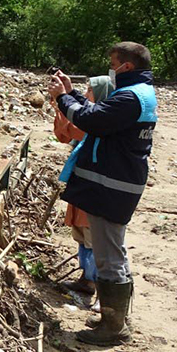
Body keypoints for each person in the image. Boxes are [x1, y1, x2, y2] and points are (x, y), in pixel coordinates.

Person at [48, 42, 156, 346]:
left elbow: (91, 121)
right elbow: (98, 112)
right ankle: (116, 317)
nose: (111, 69)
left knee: (109, 256)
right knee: (112, 252)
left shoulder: (130, 97)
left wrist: (62, 98)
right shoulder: (136, 94)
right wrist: (71, 93)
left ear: (127, 66)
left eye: (113, 63)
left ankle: (113, 327)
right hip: (117, 184)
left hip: (113, 186)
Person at [52, 75, 113, 298]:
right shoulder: (91, 117)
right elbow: (64, 134)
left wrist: (62, 100)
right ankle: (87, 279)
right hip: (83, 186)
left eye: (90, 90)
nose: (85, 94)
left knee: (93, 238)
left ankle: (100, 287)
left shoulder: (100, 122)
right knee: (82, 234)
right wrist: (61, 104)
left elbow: (70, 131)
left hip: (93, 190)